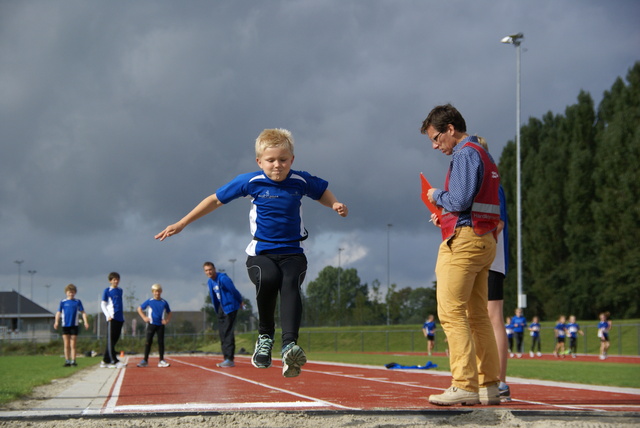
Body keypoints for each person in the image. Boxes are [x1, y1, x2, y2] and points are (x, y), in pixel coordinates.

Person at [155, 128, 348, 378]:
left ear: (292, 160)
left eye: (283, 160)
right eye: (271, 160)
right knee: (268, 279)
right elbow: (214, 200)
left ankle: (289, 345)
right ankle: (265, 336)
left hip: (293, 251)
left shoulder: (300, 181)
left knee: (290, 284)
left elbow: (322, 192)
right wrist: (182, 223)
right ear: (259, 161)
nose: (277, 165)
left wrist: (334, 203)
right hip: (261, 253)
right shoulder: (251, 182)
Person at [421, 104, 501, 406]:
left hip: (466, 241)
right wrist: (446, 212)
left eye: (437, 137)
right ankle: (489, 385)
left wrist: (435, 197)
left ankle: (464, 384)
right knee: (478, 316)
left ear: (451, 129)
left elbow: (460, 199)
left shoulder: (465, 153)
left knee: (451, 313)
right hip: (485, 240)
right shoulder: (483, 153)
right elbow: (475, 202)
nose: (435, 145)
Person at [477, 136, 510, 401]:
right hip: (481, 255)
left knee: (493, 316)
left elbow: (497, 223)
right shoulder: (484, 181)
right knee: (480, 317)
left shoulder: (491, 181)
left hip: (491, 257)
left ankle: (499, 381)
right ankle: (486, 378)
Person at [203, 261, 244, 368]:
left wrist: (240, 301)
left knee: (227, 332)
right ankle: (225, 358)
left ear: (214, 269)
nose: (209, 272)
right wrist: (217, 310)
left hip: (230, 307)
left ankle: (230, 359)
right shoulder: (210, 282)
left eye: (210, 269)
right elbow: (214, 298)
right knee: (222, 333)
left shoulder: (223, 279)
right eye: (206, 270)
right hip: (221, 308)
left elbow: (233, 290)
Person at [53, 284, 89, 367]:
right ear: (66, 293)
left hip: (74, 325)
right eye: (69, 292)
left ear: (75, 293)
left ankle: (73, 360)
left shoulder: (77, 302)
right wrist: (56, 322)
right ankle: (67, 360)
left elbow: (83, 312)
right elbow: (58, 312)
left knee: (73, 344)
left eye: (73, 292)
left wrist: (85, 322)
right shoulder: (63, 302)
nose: (71, 294)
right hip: (65, 325)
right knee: (66, 344)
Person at [136, 284, 172, 368]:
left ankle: (161, 360)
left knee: (161, 342)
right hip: (151, 324)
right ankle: (145, 360)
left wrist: (166, 320)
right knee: (148, 342)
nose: (157, 293)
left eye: (159, 291)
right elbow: (139, 309)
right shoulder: (149, 301)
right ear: (153, 292)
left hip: (160, 325)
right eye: (155, 291)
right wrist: (144, 317)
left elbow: (169, 312)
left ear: (161, 292)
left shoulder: (164, 302)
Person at [101, 272, 126, 368]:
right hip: (112, 317)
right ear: (110, 281)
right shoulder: (107, 291)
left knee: (114, 340)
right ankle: (113, 360)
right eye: (114, 279)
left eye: (117, 279)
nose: (116, 281)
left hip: (120, 318)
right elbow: (103, 304)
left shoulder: (120, 290)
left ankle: (105, 360)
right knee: (110, 340)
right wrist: (107, 315)